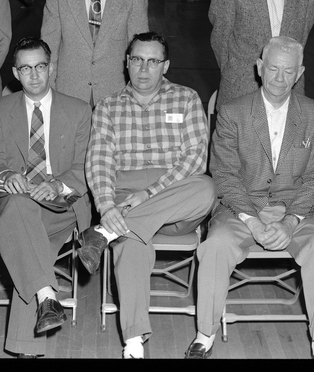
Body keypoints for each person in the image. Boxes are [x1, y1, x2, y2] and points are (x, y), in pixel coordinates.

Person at [187, 36, 314, 359]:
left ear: (300, 73)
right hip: (241, 208)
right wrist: (252, 222)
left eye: (288, 71)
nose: (280, 79)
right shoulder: (232, 113)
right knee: (215, 245)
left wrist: (290, 219)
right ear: (259, 68)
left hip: (297, 210)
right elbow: (225, 176)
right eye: (273, 69)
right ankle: (205, 335)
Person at [77, 31, 216, 359]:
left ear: (165, 65)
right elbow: (99, 161)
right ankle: (134, 343)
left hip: (177, 198)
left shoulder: (186, 98)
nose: (143, 69)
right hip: (124, 198)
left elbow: (196, 158)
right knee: (131, 241)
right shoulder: (109, 106)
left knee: (207, 187)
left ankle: (105, 231)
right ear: (127, 63)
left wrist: (149, 194)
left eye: (153, 61)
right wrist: (107, 205)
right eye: (137, 60)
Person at [0, 37, 92, 358]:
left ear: (51, 67)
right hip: (16, 201)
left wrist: (57, 185)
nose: (35, 75)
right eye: (25, 69)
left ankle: (39, 311)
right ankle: (46, 296)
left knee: (24, 242)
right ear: (15, 73)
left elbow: (86, 166)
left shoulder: (78, 109)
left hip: (61, 204)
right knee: (20, 211)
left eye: (40, 66)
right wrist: (7, 175)